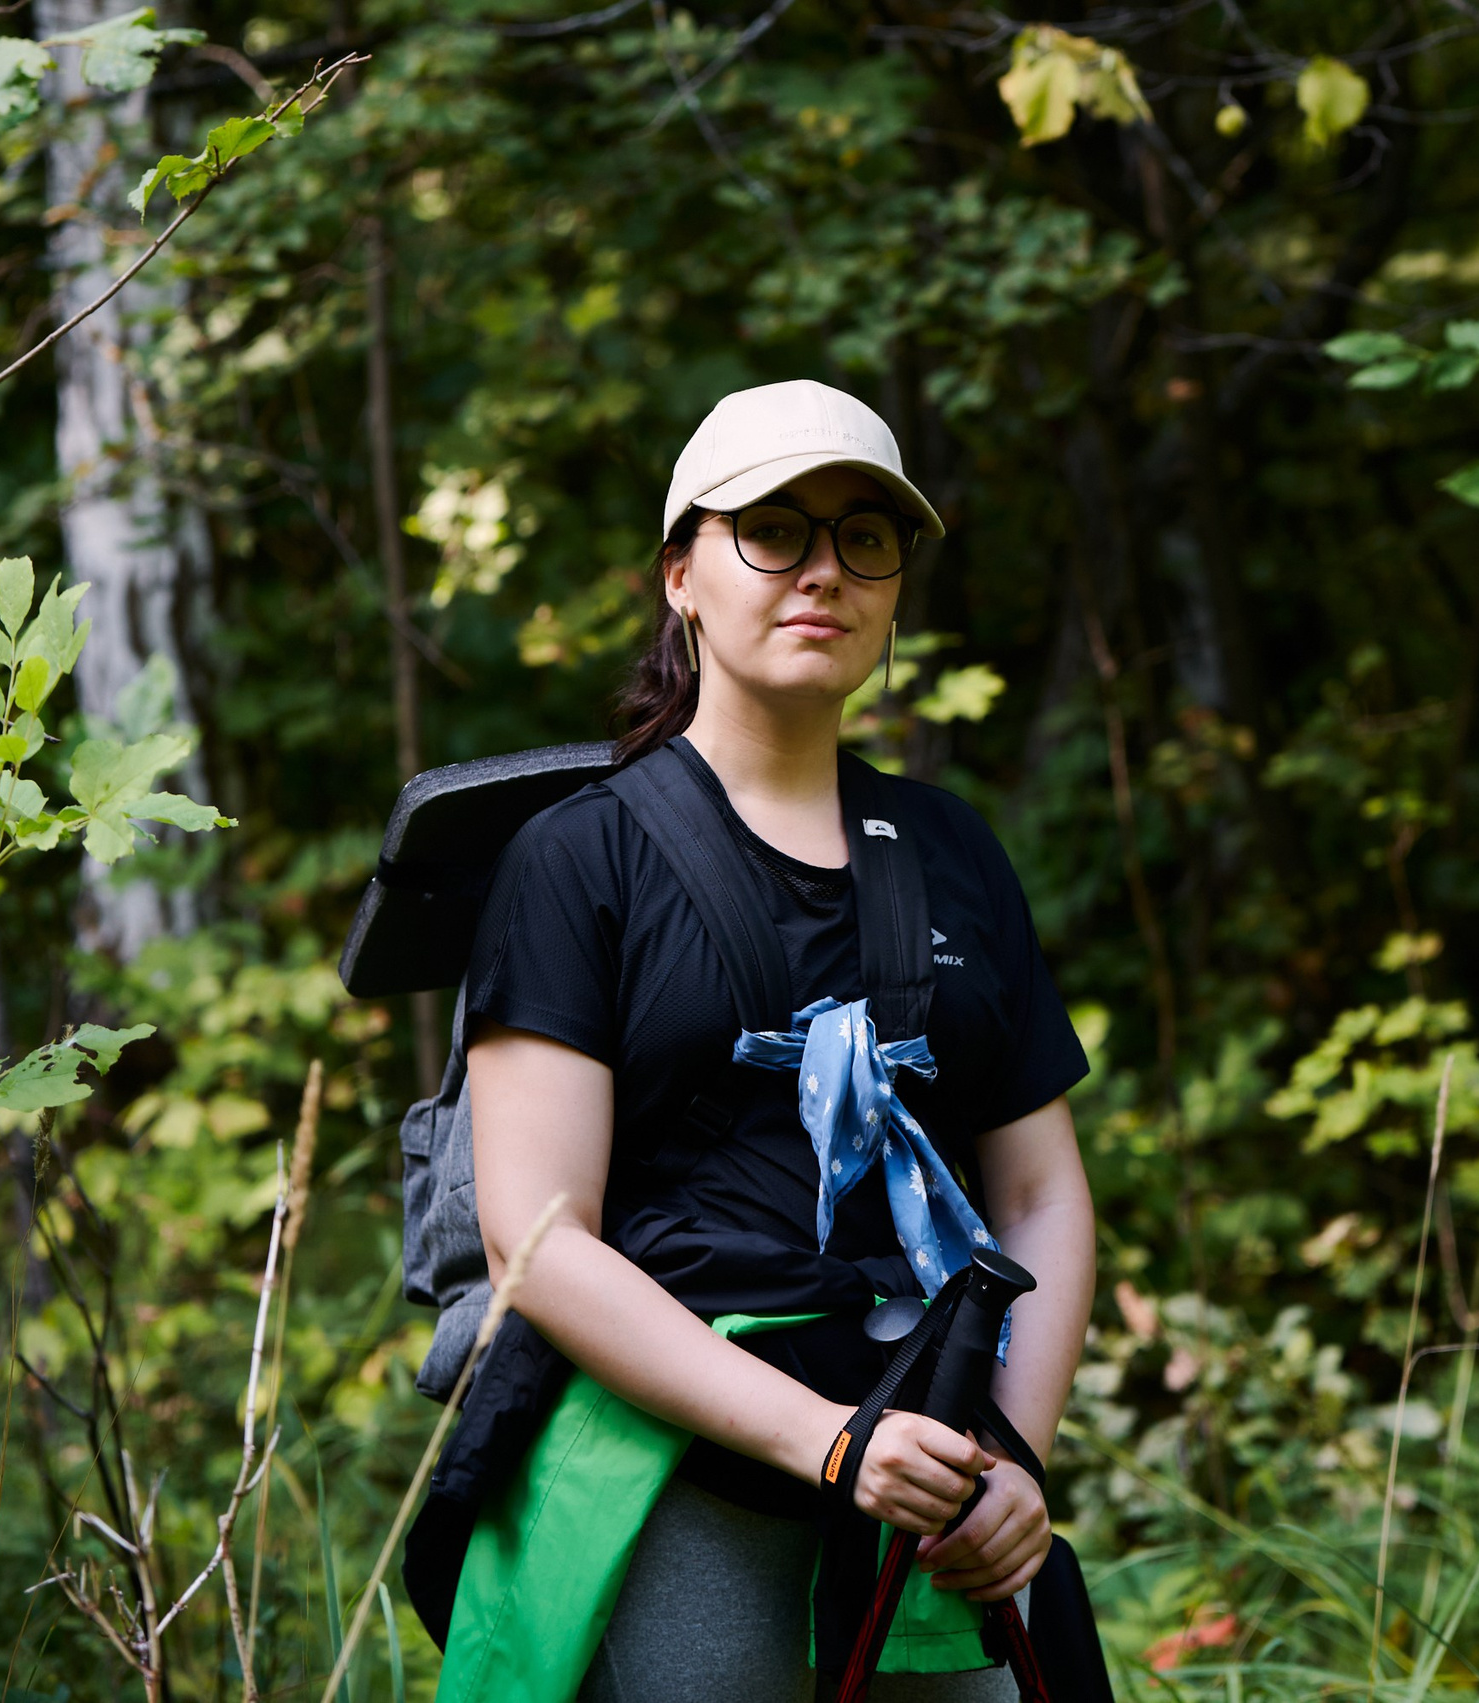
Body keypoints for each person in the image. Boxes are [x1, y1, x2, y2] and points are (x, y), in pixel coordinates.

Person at [453, 379, 1097, 1701]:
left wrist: (1010, 1461)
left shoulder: (955, 850)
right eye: (775, 530)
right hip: (683, 1480)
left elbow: (1039, 1193)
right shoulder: (580, 861)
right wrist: (828, 1442)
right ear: (683, 572)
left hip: (944, 1485)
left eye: (866, 537)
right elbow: (537, 1233)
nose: (824, 571)